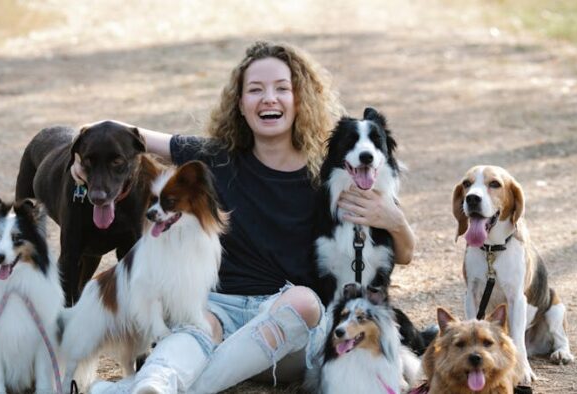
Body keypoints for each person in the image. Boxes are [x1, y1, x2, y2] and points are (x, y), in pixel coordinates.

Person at [72, 41, 415, 393]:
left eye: (282, 88)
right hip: (220, 312)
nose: (269, 98)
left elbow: (402, 253)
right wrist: (80, 153)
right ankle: (154, 385)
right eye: (255, 90)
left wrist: (395, 220)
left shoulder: (326, 173)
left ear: (301, 100)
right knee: (196, 320)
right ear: (240, 104)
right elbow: (133, 136)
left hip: (288, 332)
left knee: (304, 301)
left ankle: (119, 391)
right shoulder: (217, 158)